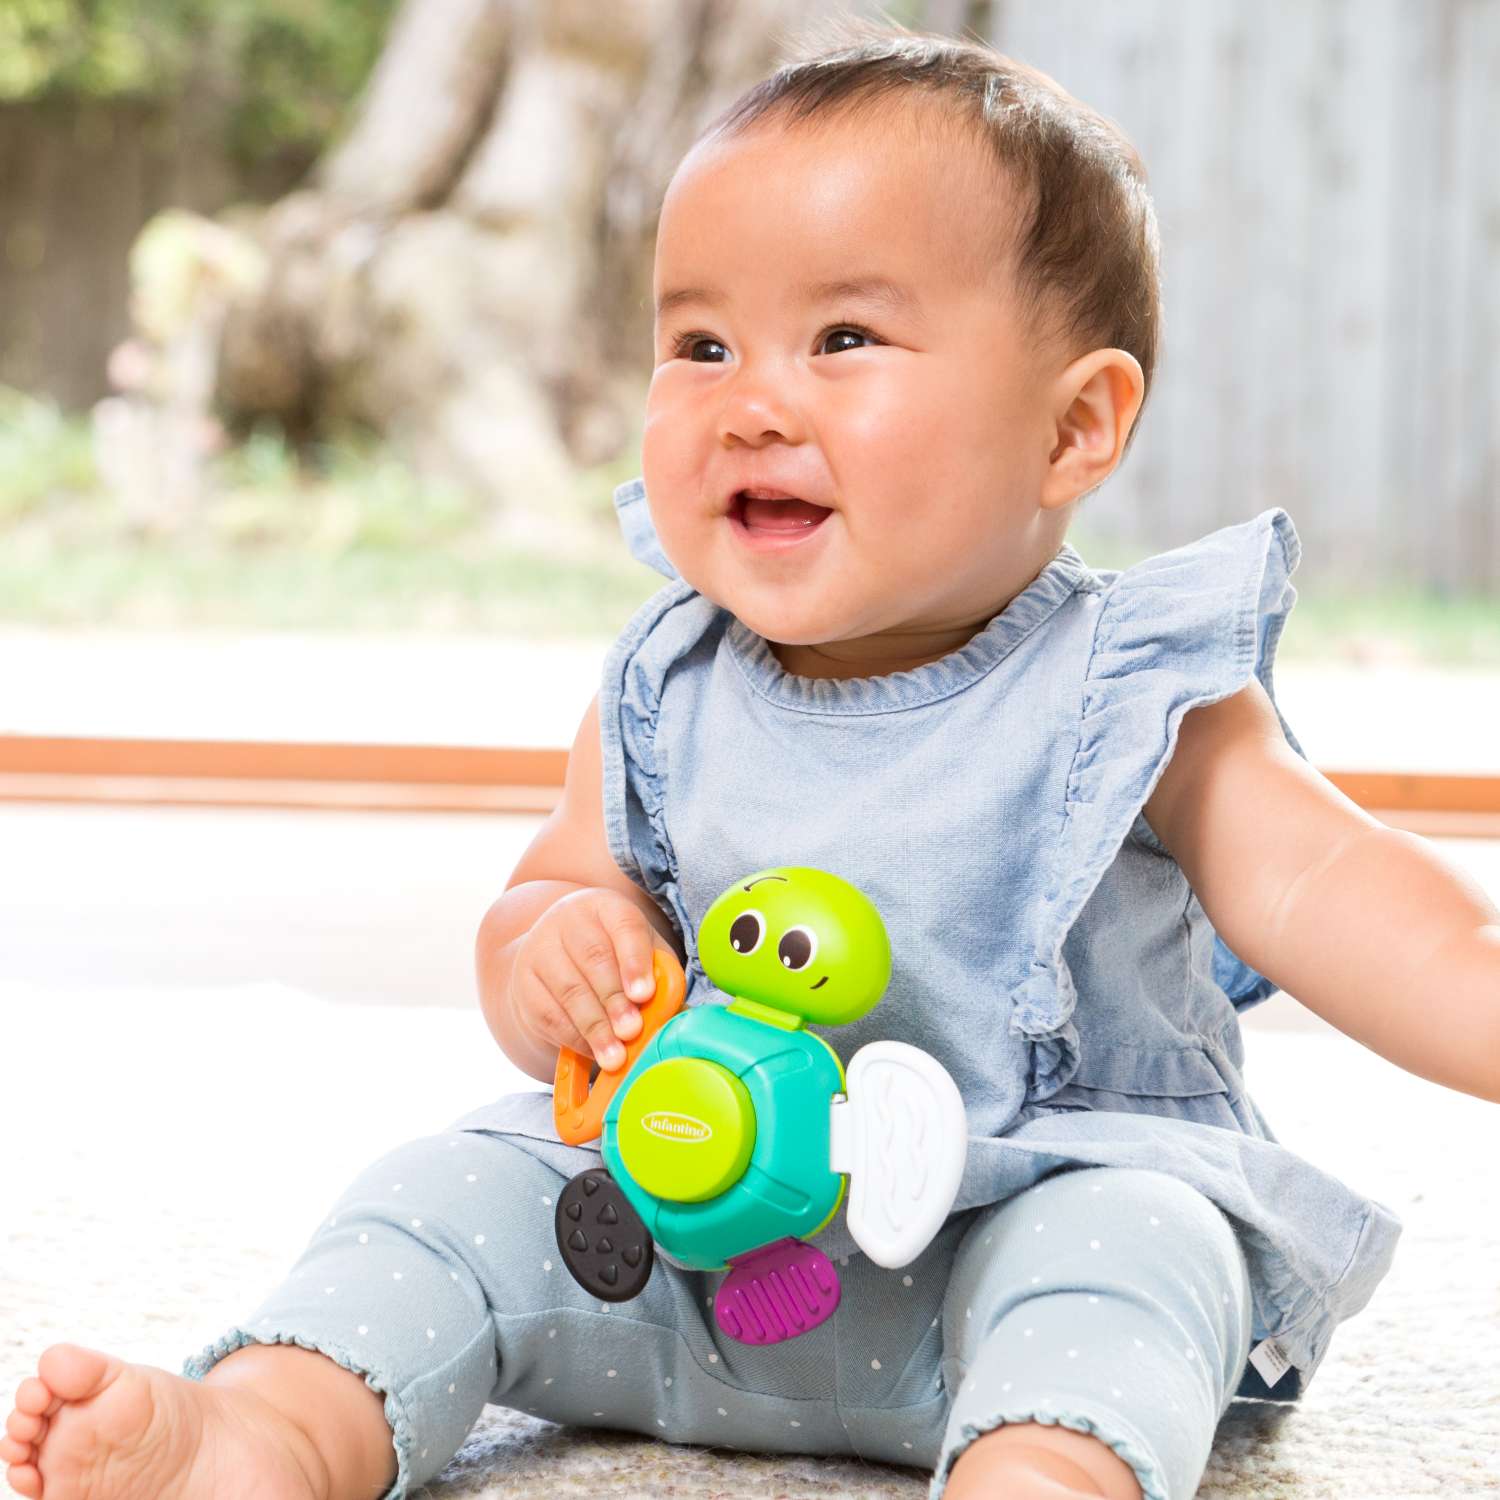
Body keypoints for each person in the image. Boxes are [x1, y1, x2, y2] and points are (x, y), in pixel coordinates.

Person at [7, 16, 1497, 1500]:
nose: (753, 401)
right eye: (700, 344)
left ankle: (1044, 1470)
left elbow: (1337, 889)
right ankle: (268, 1428)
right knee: (444, 1190)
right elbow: (543, 909)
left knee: (1140, 1255)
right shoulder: (667, 683)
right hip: (687, 1234)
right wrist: (555, 956)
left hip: (1013, 1230)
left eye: (844, 338)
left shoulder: (1133, 693)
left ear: (1074, 429)